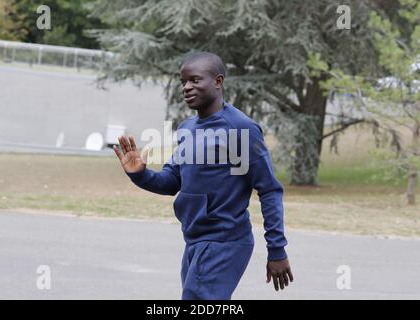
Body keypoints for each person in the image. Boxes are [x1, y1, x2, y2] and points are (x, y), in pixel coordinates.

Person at [113, 52, 293, 300]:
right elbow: (172, 181)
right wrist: (140, 175)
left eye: (195, 80)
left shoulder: (240, 128)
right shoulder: (188, 128)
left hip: (224, 242)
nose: (187, 87)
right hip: (195, 241)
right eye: (184, 81)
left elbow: (270, 189)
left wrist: (277, 250)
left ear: (218, 82)